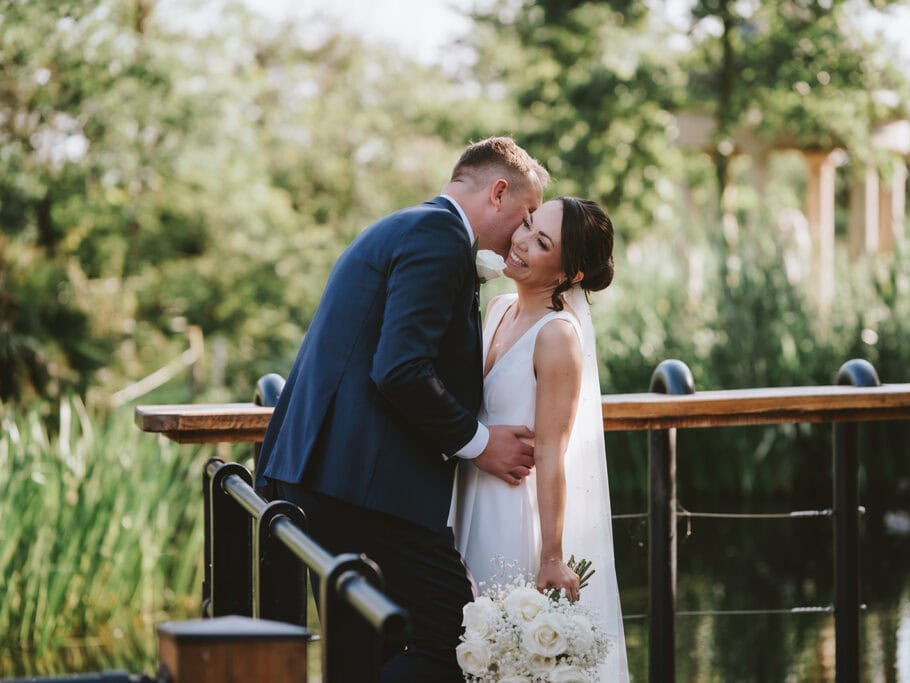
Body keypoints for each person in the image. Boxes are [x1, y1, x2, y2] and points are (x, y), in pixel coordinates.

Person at [255, 137, 549, 682]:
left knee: (369, 646)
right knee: (457, 638)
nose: (524, 231)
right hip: (363, 488)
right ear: (499, 192)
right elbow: (400, 368)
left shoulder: (411, 226)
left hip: (333, 476)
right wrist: (481, 444)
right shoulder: (438, 236)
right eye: (527, 214)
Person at [451, 196, 630, 681]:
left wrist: (550, 556)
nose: (522, 241)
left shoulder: (558, 337)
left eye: (542, 242)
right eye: (527, 224)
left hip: (513, 514)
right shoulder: (499, 308)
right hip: (469, 496)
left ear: (570, 274)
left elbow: (553, 452)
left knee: (502, 652)